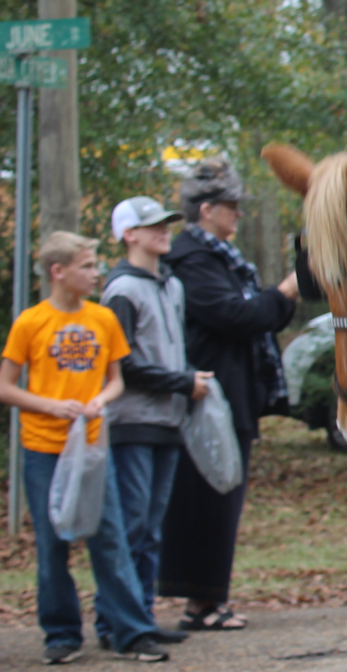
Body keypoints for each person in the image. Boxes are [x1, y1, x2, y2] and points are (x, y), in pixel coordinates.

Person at [0, 232, 172, 663]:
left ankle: (131, 631)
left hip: (95, 449)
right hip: (44, 449)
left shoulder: (102, 320)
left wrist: (102, 399)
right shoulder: (31, 322)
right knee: (52, 542)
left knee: (110, 537)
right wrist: (49, 406)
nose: (95, 274)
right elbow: (6, 387)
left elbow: (116, 378)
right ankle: (61, 634)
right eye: (86, 266)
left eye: (95, 265)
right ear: (58, 272)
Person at [157, 159, 298, 630]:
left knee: (222, 499)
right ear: (206, 209)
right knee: (208, 500)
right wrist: (286, 289)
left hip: (233, 395)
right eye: (232, 206)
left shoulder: (220, 259)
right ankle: (200, 602)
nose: (239, 214)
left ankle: (209, 597)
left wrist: (276, 300)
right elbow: (235, 316)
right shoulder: (192, 261)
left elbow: (254, 313)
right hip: (207, 399)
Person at [101, 196, 215, 639]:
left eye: (167, 224)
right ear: (129, 235)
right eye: (152, 226)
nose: (164, 231)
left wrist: (184, 385)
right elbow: (122, 363)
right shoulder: (121, 291)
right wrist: (182, 382)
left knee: (149, 530)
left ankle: (139, 617)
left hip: (168, 421)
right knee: (132, 526)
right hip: (132, 422)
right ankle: (117, 621)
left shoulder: (171, 285)